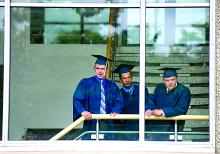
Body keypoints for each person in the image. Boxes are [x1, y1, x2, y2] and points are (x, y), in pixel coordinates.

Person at [72, 54, 124, 140]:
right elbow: (77, 99)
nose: (100, 71)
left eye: (102, 68)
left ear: (106, 70)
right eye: (98, 68)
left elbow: (119, 101)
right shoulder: (86, 83)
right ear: (94, 69)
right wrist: (82, 111)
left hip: (109, 124)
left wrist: (116, 110)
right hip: (91, 124)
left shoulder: (112, 86)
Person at [145, 67, 191, 141]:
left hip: (174, 127)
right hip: (157, 128)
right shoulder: (159, 88)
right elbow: (152, 100)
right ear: (163, 80)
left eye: (172, 79)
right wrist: (149, 109)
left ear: (176, 79)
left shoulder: (184, 90)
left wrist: (162, 111)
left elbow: (181, 109)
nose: (170, 82)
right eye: (167, 80)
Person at [113, 64, 149, 140]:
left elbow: (148, 103)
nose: (127, 80)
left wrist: (148, 109)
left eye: (128, 77)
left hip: (142, 127)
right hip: (126, 129)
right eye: (124, 78)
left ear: (131, 77)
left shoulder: (142, 90)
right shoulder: (118, 94)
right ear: (120, 80)